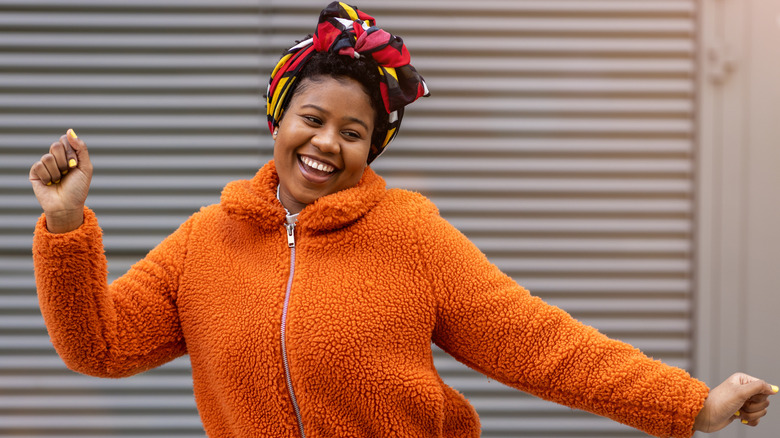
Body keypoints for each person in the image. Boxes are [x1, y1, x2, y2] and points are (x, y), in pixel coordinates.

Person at [29, 2, 775, 437]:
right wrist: (66, 227)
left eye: (353, 134)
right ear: (278, 118)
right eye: (312, 118)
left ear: (372, 147)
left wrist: (690, 405)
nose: (326, 143)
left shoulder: (411, 235)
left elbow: (539, 344)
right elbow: (100, 346)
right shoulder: (206, 240)